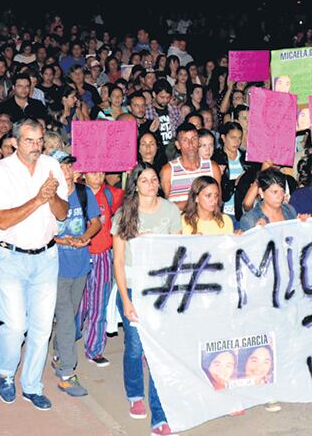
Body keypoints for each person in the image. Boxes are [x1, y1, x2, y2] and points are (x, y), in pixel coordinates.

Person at [0, 118, 69, 410]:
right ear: (15, 142)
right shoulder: (1, 171)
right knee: (15, 325)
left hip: (46, 257)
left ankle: (32, 385)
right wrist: (37, 199)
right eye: (29, 141)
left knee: (42, 327)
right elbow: (3, 220)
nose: (36, 147)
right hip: (11, 257)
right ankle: (6, 373)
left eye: (39, 140)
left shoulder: (52, 166)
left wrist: (52, 196)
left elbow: (62, 213)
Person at [112, 165, 180, 436]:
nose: (151, 183)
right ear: (135, 185)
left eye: (154, 179)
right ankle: (134, 392)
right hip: (132, 288)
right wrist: (126, 301)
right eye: (145, 180)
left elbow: (178, 251)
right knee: (135, 347)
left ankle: (160, 416)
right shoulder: (124, 214)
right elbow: (117, 260)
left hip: (160, 290)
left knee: (157, 354)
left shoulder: (170, 210)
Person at [48, 151, 101, 397]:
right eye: (62, 166)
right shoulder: (48, 197)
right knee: (67, 317)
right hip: (55, 268)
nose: (67, 171)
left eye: (69, 166)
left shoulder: (83, 192)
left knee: (72, 316)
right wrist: (60, 239)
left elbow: (96, 222)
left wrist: (84, 237)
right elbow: (40, 231)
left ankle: (59, 351)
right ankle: (67, 372)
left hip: (80, 264)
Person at [79, 170, 123, 367]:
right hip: (80, 254)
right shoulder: (77, 193)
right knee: (79, 303)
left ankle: (95, 348)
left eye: (100, 172)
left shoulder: (111, 194)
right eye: (92, 172)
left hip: (103, 255)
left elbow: (129, 200)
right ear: (83, 174)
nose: (97, 175)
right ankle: (66, 342)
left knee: (99, 302)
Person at [161, 122, 221, 210]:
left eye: (194, 139)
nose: (190, 144)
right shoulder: (168, 170)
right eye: (185, 140)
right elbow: (164, 207)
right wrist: (198, 203)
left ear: (199, 142)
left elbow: (218, 201)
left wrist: (182, 205)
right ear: (178, 145)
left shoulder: (212, 168)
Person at [237, 168, 306, 231]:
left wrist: (302, 225)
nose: (280, 196)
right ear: (261, 192)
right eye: (275, 192)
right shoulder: (250, 219)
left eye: (282, 191)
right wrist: (257, 233)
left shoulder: (289, 210)